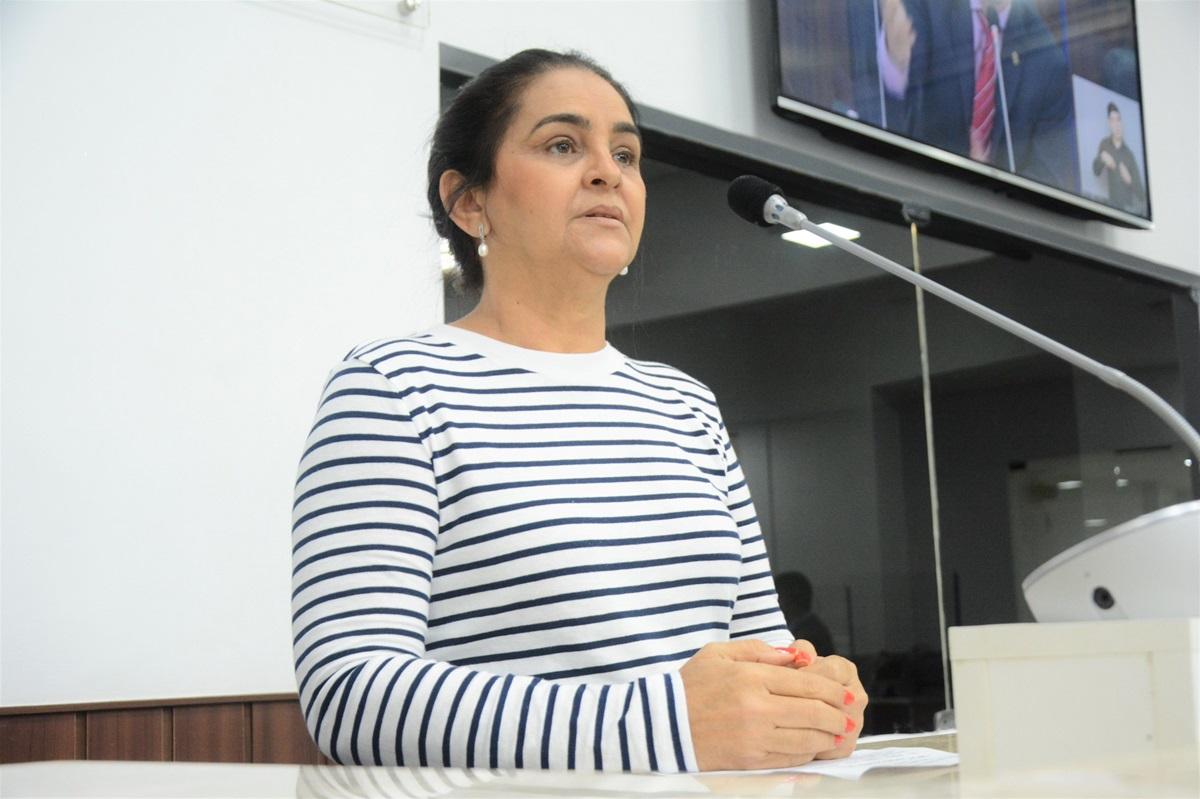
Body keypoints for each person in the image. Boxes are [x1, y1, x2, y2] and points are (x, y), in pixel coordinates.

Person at [291, 48, 866, 773]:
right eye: (563, 145)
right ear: (469, 202)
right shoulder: (392, 387)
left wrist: (811, 695)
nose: (607, 173)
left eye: (625, 154)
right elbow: (350, 696)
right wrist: (663, 725)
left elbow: (763, 649)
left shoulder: (686, 404)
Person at [876, 0, 1076, 190]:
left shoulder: (1048, 63)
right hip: (912, 188)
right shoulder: (928, 5)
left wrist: (989, 186)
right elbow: (896, 104)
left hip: (989, 211)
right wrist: (896, 62)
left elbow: (1049, 179)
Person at [1091, 101, 1146, 215]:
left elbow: (1141, 194)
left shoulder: (1129, 155)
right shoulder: (1105, 144)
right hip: (1112, 207)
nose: (1116, 125)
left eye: (1118, 120)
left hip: (1129, 210)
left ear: (1122, 123)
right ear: (1109, 123)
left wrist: (1129, 180)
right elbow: (1096, 171)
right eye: (1113, 120)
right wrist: (1102, 158)